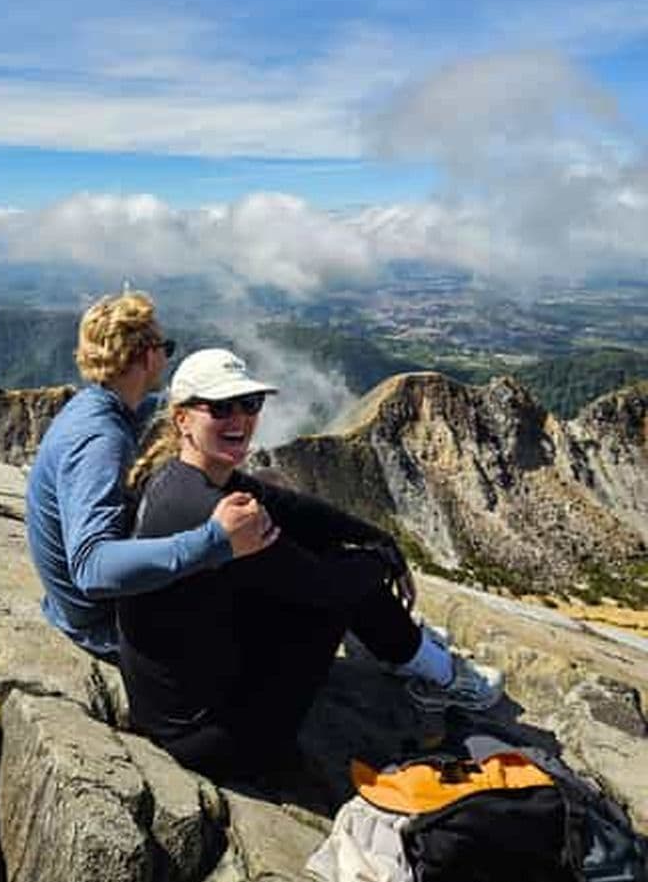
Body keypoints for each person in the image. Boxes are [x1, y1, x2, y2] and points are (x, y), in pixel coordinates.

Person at [119, 348, 504, 781]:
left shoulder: (181, 478)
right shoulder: (209, 510)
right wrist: (378, 559)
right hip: (217, 738)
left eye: (250, 404)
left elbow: (291, 507)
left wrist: (380, 538)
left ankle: (410, 652)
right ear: (182, 419)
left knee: (330, 552)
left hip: (178, 706)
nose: (240, 419)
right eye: (221, 407)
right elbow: (325, 587)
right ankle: (436, 672)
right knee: (341, 577)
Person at [25, 293, 276, 660]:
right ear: (146, 356)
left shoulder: (95, 407)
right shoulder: (100, 439)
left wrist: (206, 401)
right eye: (166, 348)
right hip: (101, 627)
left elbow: (155, 408)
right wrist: (215, 540)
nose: (166, 359)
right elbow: (92, 567)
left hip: (74, 610)